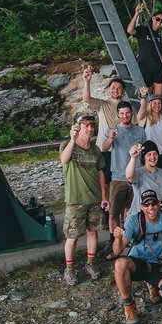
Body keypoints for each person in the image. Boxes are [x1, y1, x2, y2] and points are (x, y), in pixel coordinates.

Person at [112, 189, 162, 324]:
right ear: (142, 206)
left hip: (159, 265)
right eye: (146, 205)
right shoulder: (133, 220)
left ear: (158, 204)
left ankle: (153, 284)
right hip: (138, 263)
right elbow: (117, 250)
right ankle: (129, 305)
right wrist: (117, 238)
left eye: (153, 203)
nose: (151, 208)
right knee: (120, 264)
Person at [60, 114, 108, 286]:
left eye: (92, 125)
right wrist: (72, 140)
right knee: (72, 236)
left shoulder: (95, 150)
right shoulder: (67, 145)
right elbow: (64, 159)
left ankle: (90, 264)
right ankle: (70, 268)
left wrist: (104, 196)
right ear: (78, 127)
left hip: (94, 199)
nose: (90, 128)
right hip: (75, 200)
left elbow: (101, 173)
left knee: (93, 232)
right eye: (86, 125)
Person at [102, 102, 146, 239]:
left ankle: (129, 238)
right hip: (118, 177)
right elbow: (103, 148)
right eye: (121, 113)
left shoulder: (140, 131)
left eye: (127, 112)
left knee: (132, 211)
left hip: (136, 177)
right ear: (118, 114)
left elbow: (145, 151)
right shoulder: (112, 130)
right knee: (113, 213)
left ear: (132, 113)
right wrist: (111, 138)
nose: (125, 116)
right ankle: (113, 241)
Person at [82, 69, 127, 185]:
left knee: (122, 183)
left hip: (122, 151)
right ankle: (106, 203)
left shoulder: (127, 108)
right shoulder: (102, 104)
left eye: (119, 88)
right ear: (108, 89)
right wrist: (87, 81)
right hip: (104, 151)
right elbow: (87, 99)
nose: (115, 90)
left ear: (123, 91)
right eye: (113, 88)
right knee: (104, 183)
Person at [126, 3, 162, 95]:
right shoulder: (143, 30)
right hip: (145, 68)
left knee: (158, 98)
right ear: (153, 18)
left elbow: (161, 50)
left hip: (158, 69)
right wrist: (136, 14)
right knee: (147, 97)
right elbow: (130, 30)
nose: (159, 22)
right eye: (157, 19)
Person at [125, 140, 162, 217]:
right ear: (144, 157)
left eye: (155, 154)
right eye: (149, 154)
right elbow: (129, 176)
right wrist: (133, 158)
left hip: (157, 216)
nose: (153, 157)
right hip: (139, 217)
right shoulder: (139, 173)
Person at [137, 89, 162, 173]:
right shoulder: (144, 119)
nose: (157, 105)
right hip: (149, 156)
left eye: (159, 103)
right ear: (150, 104)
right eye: (154, 103)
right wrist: (143, 97)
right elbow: (142, 110)